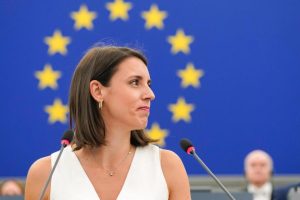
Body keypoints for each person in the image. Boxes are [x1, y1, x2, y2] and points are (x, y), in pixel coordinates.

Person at [25, 45, 191, 200]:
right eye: (135, 82)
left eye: (148, 84)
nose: (150, 94)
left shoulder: (168, 167)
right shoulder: (45, 174)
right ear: (98, 91)